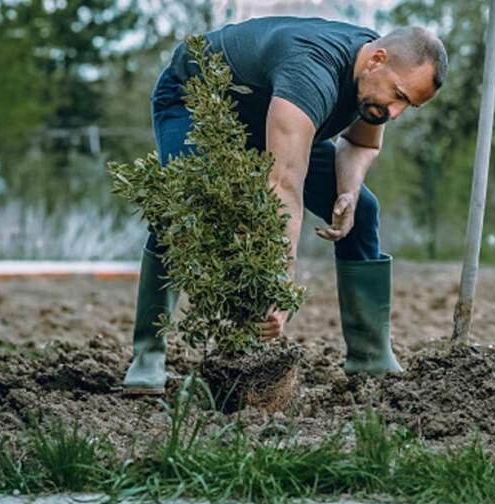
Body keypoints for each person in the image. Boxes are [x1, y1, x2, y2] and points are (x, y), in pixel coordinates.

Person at [122, 16, 448, 395]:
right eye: (399, 95)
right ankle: (148, 354)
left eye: (408, 105)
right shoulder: (312, 71)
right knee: (184, 205)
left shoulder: (373, 85)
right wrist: (280, 282)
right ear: (376, 60)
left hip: (271, 120)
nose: (395, 113)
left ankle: (370, 356)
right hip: (197, 101)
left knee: (364, 211)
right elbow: (282, 185)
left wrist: (347, 191)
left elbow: (361, 145)